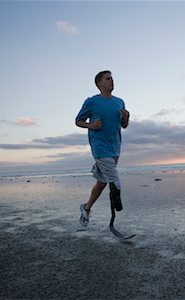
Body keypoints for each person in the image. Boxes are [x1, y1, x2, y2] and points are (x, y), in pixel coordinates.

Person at [75, 70, 130, 226]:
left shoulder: (119, 102)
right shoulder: (92, 102)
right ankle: (117, 209)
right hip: (100, 147)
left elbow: (124, 126)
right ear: (99, 83)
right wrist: (92, 125)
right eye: (107, 79)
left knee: (102, 182)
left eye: (112, 78)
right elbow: (78, 121)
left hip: (115, 147)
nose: (111, 81)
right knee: (115, 181)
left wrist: (126, 117)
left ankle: (86, 208)